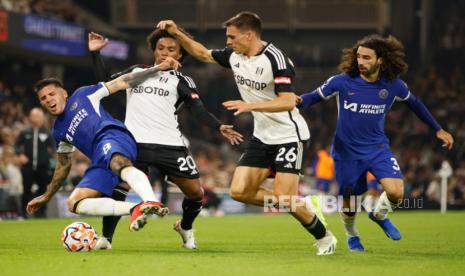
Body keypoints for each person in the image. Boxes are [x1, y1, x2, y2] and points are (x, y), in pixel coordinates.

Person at [158, 11, 337, 255]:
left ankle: (324, 237)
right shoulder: (234, 55)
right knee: (240, 192)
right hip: (262, 136)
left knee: (285, 198)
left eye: (232, 37)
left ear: (249, 35)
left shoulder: (276, 59)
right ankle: (299, 204)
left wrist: (250, 106)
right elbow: (201, 53)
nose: (228, 42)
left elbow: (287, 102)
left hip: (288, 136)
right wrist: (176, 31)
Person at [87, 30, 243, 250]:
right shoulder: (137, 72)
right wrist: (96, 54)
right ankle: (106, 238)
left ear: (180, 54)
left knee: (195, 193)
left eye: (171, 49)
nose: (165, 53)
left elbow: (198, 110)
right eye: (161, 48)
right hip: (135, 143)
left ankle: (185, 227)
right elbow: (106, 84)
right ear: (154, 50)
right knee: (119, 186)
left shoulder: (182, 80)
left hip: (170, 145)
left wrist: (219, 126)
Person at [298, 34, 454, 252]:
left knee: (397, 192)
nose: (361, 62)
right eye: (359, 57)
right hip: (346, 152)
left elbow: (416, 105)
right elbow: (311, 98)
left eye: (367, 58)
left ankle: (379, 214)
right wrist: (292, 102)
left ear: (380, 60)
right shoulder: (341, 82)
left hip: (376, 148)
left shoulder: (393, 86)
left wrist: (438, 129)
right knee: (350, 205)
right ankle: (352, 236)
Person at [26, 58, 181, 233]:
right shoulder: (58, 131)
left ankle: (150, 199)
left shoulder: (83, 94)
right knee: (74, 203)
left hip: (113, 137)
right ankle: (135, 209)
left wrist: (157, 68)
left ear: (64, 93)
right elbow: (63, 165)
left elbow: (122, 81)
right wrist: (47, 196)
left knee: (116, 161)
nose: (48, 100)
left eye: (51, 94)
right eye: (43, 98)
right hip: (100, 161)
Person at [14, 107, 55, 218]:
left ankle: (41, 213)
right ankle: (22, 214)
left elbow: (54, 147)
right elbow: (16, 145)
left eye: (38, 116)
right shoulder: (25, 132)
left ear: (42, 118)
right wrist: (20, 155)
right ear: (30, 118)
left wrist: (50, 157)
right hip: (28, 166)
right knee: (26, 190)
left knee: (43, 191)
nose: (36, 118)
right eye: (34, 116)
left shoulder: (47, 132)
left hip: (43, 167)